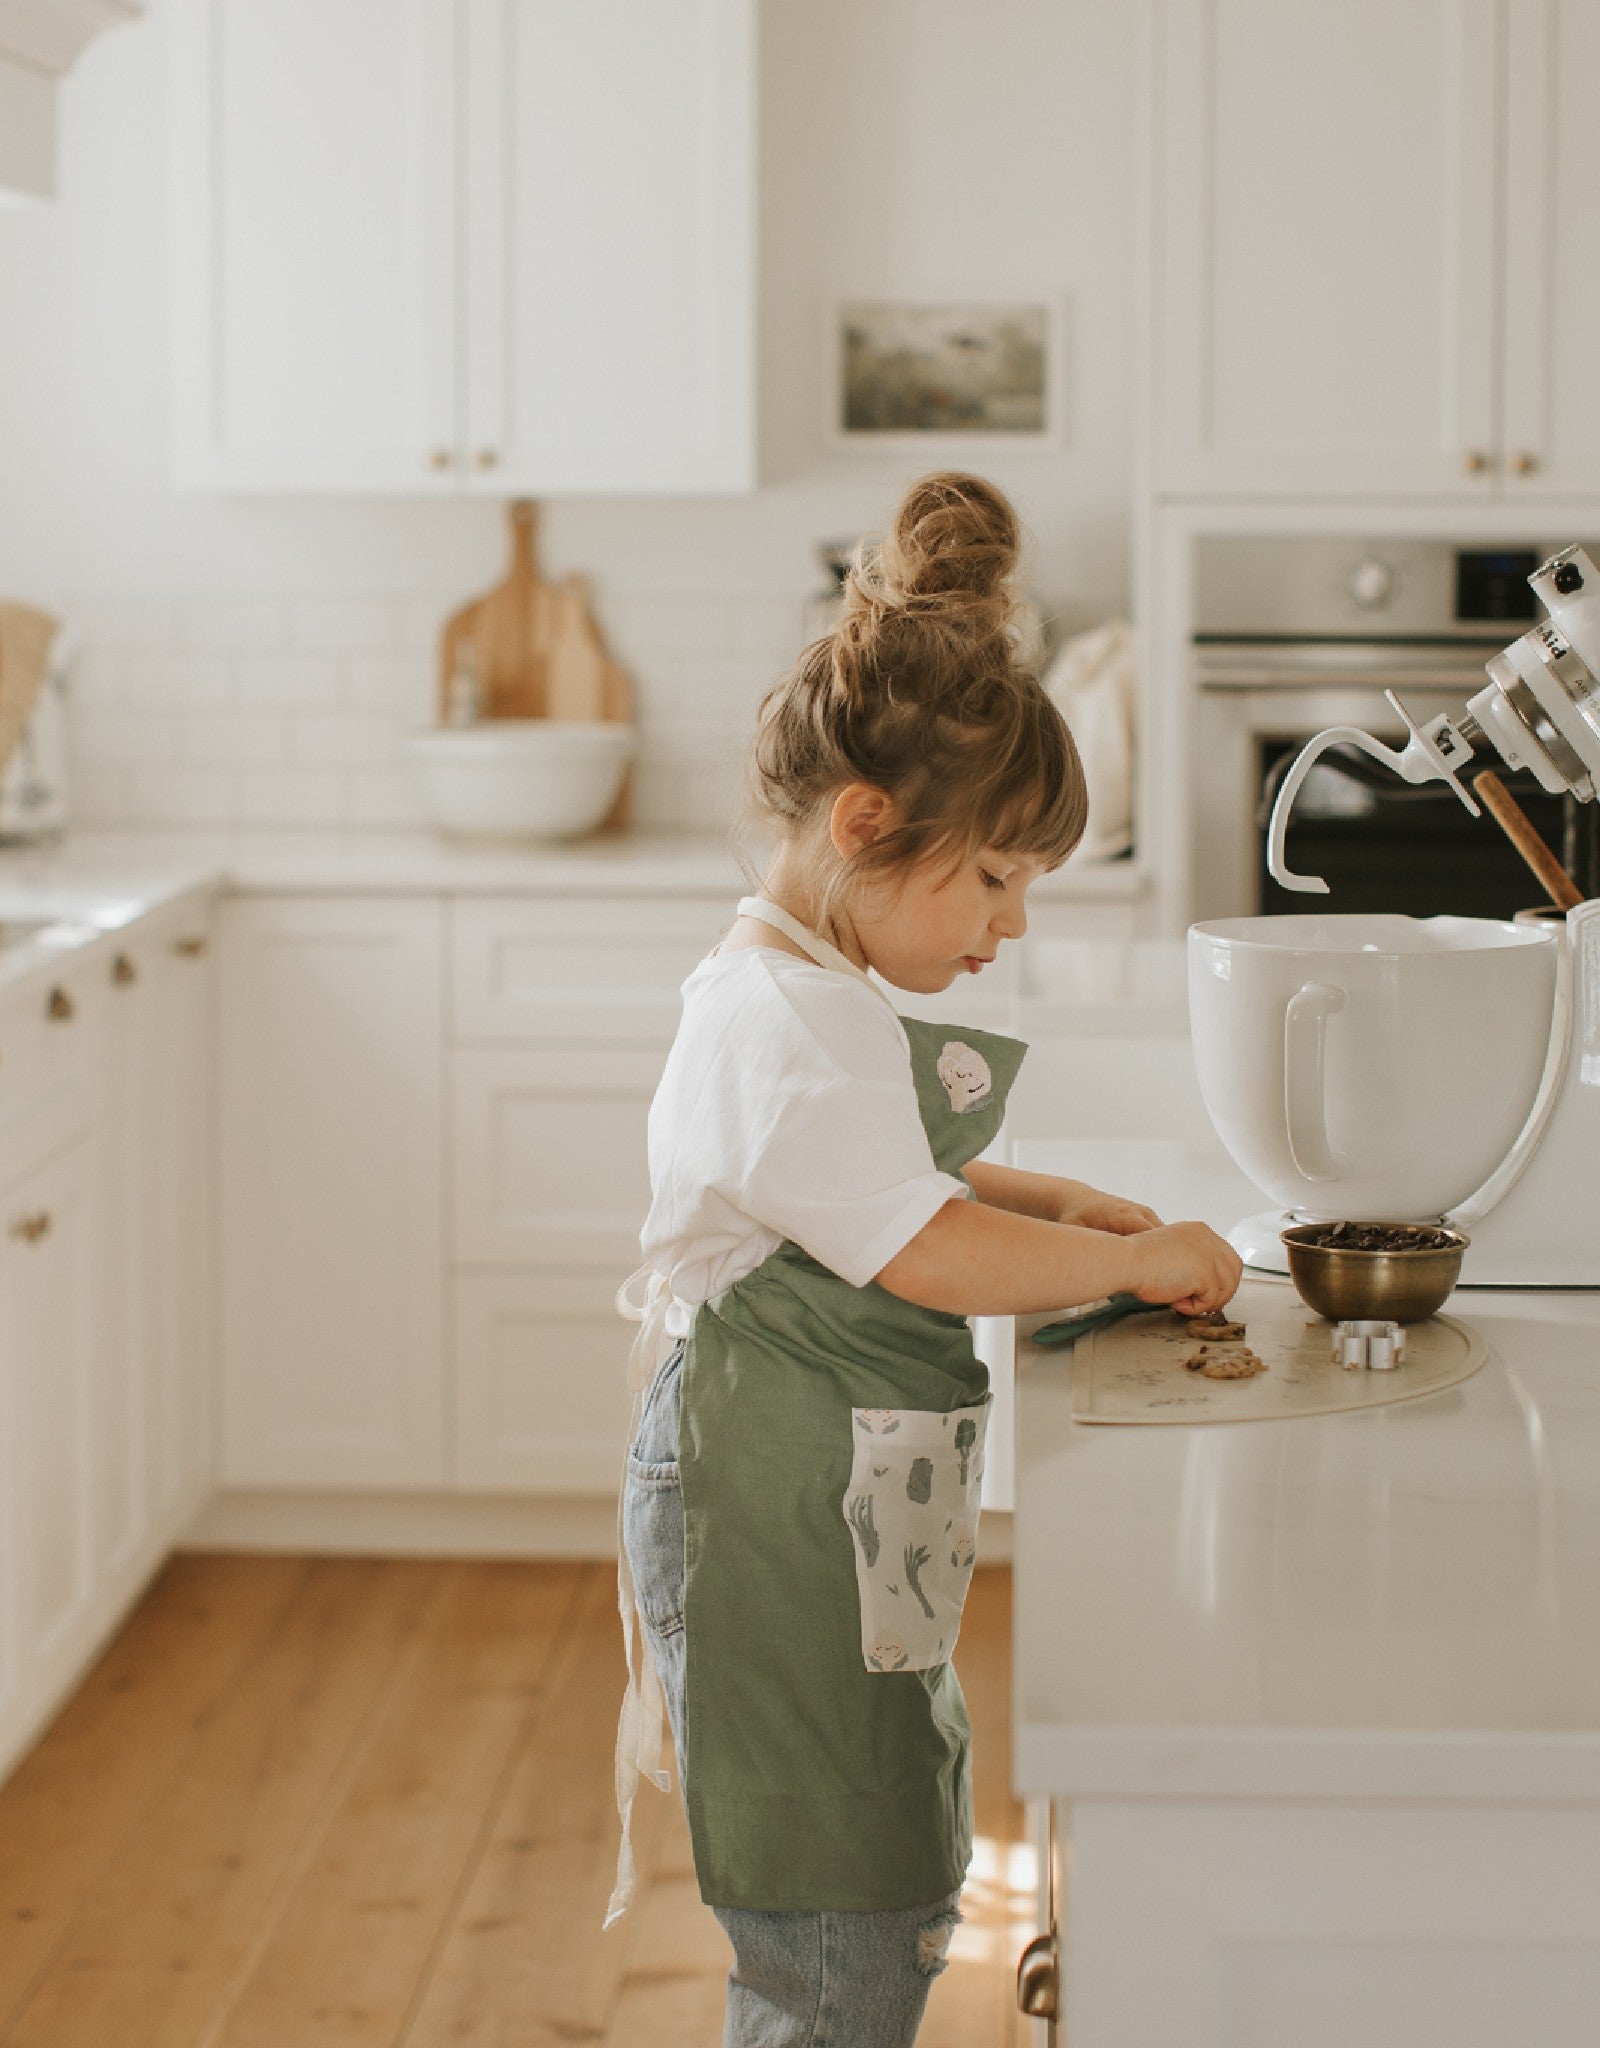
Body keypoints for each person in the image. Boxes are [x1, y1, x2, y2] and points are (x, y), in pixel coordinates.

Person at [608, 470, 1242, 2046]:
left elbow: (884, 1175)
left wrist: (1072, 1207)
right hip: (771, 1503)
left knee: (878, 1847)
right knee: (834, 1922)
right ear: (864, 828)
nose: (1011, 924)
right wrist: (1143, 1254)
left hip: (825, 1491)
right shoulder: (772, 1016)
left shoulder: (816, 990)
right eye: (995, 880)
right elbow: (926, 1244)